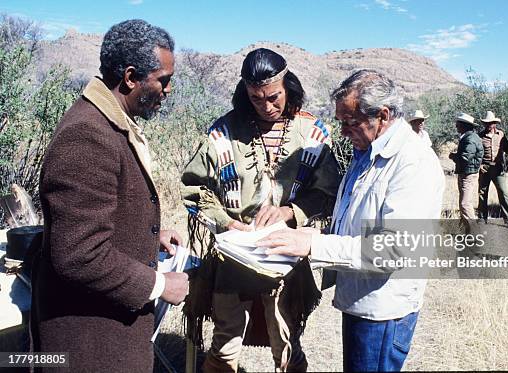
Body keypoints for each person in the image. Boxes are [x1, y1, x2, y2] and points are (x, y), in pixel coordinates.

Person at [255, 69, 445, 372]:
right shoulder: (367, 151)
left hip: (383, 310)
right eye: (341, 122)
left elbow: (393, 250)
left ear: (382, 116)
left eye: (350, 122)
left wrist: (313, 244)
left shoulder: (413, 163)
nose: (343, 132)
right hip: (362, 297)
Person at [31, 20, 189, 372]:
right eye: (163, 80)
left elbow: (95, 217)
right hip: (90, 345)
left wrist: (147, 235)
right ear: (131, 78)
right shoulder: (88, 135)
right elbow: (78, 254)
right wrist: (160, 284)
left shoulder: (110, 123)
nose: (168, 89)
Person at [181, 48, 340, 372]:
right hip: (232, 255)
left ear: (288, 87)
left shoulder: (311, 134)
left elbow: (328, 190)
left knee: (287, 342)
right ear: (245, 93)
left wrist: (290, 212)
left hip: (285, 255)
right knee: (224, 344)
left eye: (274, 97)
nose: (267, 106)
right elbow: (195, 189)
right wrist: (225, 223)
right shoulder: (222, 133)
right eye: (256, 98)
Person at [477, 111, 508, 223]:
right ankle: (482, 218)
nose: (488, 125)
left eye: (491, 123)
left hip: (498, 168)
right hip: (485, 168)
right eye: (486, 123)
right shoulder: (480, 136)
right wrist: (479, 166)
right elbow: (477, 153)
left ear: (495, 123)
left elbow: (507, 149)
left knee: (503, 193)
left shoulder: (501, 135)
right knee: (482, 193)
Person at [449, 113, 483, 222]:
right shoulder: (470, 137)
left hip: (468, 174)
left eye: (458, 124)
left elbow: (465, 158)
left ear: (465, 125)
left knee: (465, 204)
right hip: (467, 172)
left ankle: (474, 233)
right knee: (464, 203)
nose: (456, 126)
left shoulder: (470, 139)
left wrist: (453, 156)